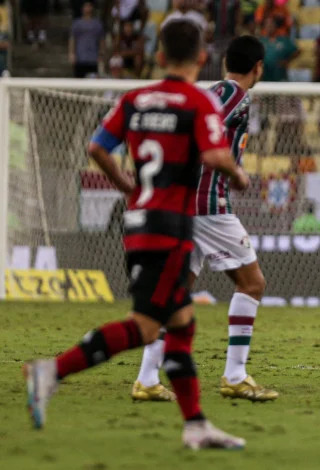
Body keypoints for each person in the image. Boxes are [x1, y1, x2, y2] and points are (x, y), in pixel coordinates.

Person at [23, 19, 249, 449]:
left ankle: (196, 424)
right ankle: (50, 372)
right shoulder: (197, 102)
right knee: (146, 327)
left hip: (138, 222)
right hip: (170, 228)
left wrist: (125, 184)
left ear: (159, 56)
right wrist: (237, 175)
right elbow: (217, 154)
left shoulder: (135, 99)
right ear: (201, 58)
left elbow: (95, 148)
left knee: (181, 325)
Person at [131, 35, 278, 404]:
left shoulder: (213, 89)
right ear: (258, 67)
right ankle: (235, 374)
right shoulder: (233, 94)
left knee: (176, 294)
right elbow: (201, 126)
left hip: (186, 205)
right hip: (208, 206)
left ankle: (147, 379)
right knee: (252, 284)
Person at [69, 1, 104, 78]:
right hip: (80, 58)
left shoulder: (97, 24)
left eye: (89, 6)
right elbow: (73, 39)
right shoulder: (77, 23)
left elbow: (101, 40)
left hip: (93, 58)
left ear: (92, 8)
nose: (87, 9)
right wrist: (72, 53)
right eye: (86, 6)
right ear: (82, 8)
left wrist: (101, 54)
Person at [260, 17, 299, 81]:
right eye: (267, 25)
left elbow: (297, 51)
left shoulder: (283, 40)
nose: (269, 27)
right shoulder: (261, 41)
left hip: (280, 76)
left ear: (275, 26)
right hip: (265, 77)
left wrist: (287, 61)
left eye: (271, 25)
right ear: (264, 27)